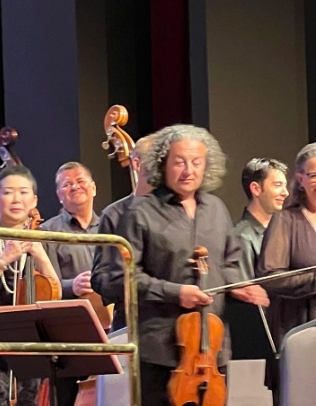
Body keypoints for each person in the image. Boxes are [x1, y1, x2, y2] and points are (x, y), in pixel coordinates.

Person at [92, 124, 269, 406]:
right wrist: (176, 292)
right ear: (163, 165)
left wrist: (240, 286)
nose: (189, 170)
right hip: (160, 351)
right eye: (180, 162)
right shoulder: (140, 213)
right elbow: (116, 279)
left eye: (196, 162)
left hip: (211, 349)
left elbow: (230, 261)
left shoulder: (216, 209)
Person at [0, 165, 59, 406]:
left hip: (28, 342)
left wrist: (41, 255)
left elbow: (54, 291)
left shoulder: (41, 237)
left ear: (34, 200)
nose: (16, 199)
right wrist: (2, 260)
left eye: (23, 193)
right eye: (8, 192)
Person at [256, 144, 316, 401]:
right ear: (300, 179)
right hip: (299, 327)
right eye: (314, 175)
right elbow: (271, 276)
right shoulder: (286, 220)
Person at [40, 161, 100, 405]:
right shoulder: (47, 231)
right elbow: (45, 288)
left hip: (110, 331)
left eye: (80, 181)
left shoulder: (112, 225)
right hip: (70, 334)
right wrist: (70, 287)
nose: (75, 187)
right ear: (58, 195)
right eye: (67, 184)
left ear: (94, 188)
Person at [91, 134, 155, 330]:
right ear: (136, 163)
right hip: (132, 323)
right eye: (156, 161)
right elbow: (100, 279)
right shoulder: (114, 214)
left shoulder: (180, 209)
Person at [227, 158, 287, 363]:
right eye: (278, 185)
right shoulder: (241, 237)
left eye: (285, 185)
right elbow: (251, 304)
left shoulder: (283, 232)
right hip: (267, 345)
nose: (285, 192)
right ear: (256, 189)